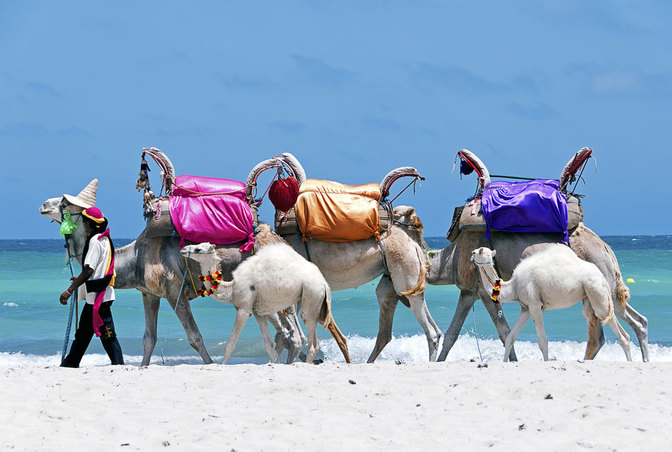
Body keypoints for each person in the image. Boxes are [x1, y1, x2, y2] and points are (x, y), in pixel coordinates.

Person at [59, 206, 124, 367]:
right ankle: (70, 364)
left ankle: (119, 365)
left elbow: (89, 269)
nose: (83, 225)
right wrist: (80, 279)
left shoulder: (95, 241)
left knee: (108, 336)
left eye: (84, 222)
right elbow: (97, 269)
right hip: (96, 297)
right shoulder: (105, 239)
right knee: (82, 335)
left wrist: (70, 290)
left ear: (90, 224)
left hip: (99, 298)